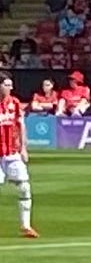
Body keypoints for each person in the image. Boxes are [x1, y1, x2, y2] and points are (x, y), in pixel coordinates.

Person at [0, 71, 38, 237]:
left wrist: (24, 147)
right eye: (7, 85)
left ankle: (26, 226)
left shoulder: (14, 103)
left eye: (10, 84)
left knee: (24, 187)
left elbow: (21, 125)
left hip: (12, 153)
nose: (10, 87)